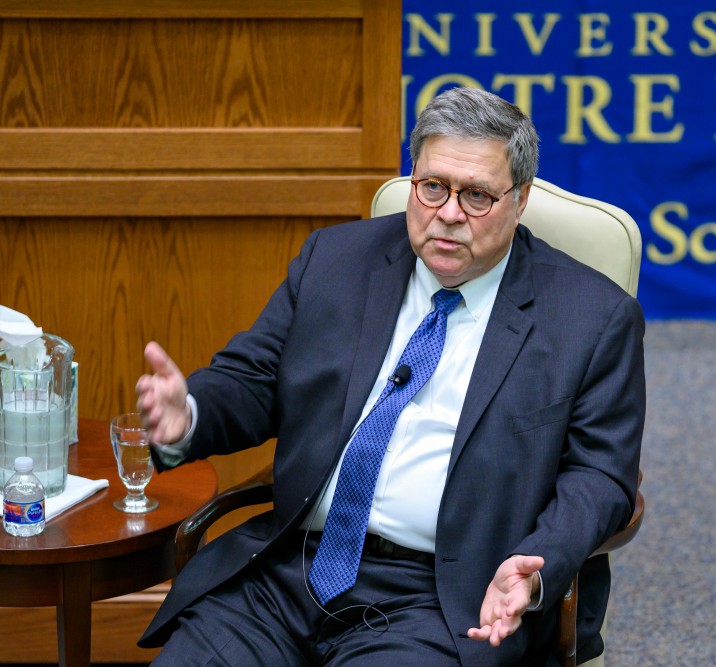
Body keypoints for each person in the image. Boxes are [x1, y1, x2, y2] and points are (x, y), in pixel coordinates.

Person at [135, 86, 645, 666]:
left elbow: (601, 475)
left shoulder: (591, 318)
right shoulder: (335, 261)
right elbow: (254, 381)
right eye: (432, 188)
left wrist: (538, 565)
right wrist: (190, 415)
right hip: (288, 574)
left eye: (477, 195)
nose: (448, 214)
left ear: (520, 199)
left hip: (443, 598)